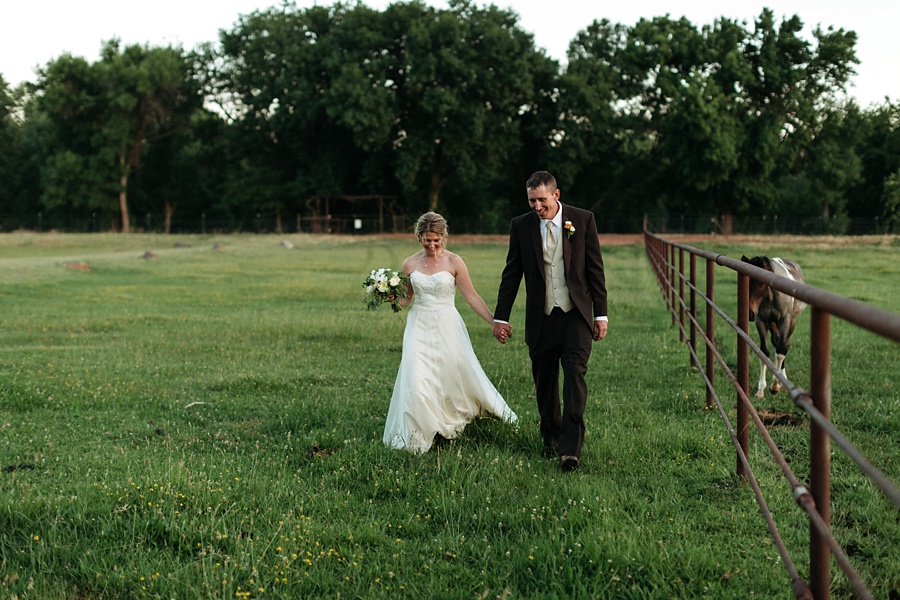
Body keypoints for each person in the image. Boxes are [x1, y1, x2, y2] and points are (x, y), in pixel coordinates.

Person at [492, 171, 608, 472]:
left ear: (556, 195)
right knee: (544, 385)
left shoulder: (582, 220)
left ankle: (571, 450)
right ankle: (552, 437)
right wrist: (500, 317)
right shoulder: (521, 226)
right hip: (541, 318)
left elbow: (596, 270)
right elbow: (511, 274)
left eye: (541, 200)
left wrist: (601, 313)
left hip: (576, 316)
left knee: (574, 379)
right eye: (531, 200)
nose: (536, 206)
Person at [383, 212, 518, 454]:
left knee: (450, 373)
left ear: (444, 237)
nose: (432, 245)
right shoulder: (409, 264)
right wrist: (390, 297)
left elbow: (471, 296)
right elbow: (406, 301)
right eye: (426, 240)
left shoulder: (455, 262)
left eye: (436, 240)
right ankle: (419, 432)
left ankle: (450, 415)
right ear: (419, 237)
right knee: (416, 375)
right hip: (419, 324)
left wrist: (495, 321)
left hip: (447, 324)